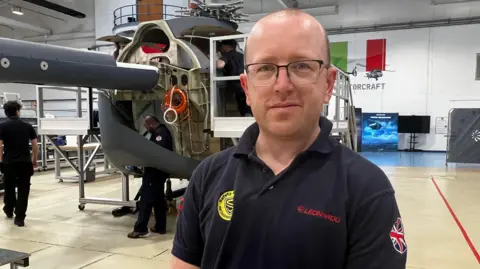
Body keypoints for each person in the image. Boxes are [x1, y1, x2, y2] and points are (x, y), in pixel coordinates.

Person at [171, 9, 407, 269]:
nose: (282, 85)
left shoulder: (367, 189)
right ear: (247, 88)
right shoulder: (208, 176)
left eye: (301, 66)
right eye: (265, 68)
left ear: (328, 84)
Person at [128, 115, 174, 238]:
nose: (146, 129)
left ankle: (140, 228)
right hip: (158, 172)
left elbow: (155, 153)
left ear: (151, 123)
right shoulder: (161, 132)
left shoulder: (160, 134)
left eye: (146, 126)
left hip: (155, 172)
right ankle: (160, 227)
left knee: (146, 200)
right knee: (158, 200)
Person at [0, 101, 38, 227]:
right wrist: (34, 159)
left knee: (9, 186)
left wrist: (1, 160)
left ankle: (9, 209)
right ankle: (20, 217)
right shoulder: (27, 126)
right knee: (23, 189)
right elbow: (34, 145)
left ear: (6, 112)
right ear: (17, 111)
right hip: (25, 162)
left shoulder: (2, 126)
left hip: (9, 162)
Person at [216, 39, 252, 117]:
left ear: (227, 46)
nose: (220, 48)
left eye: (222, 46)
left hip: (236, 85)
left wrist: (217, 59)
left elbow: (220, 65)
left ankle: (246, 117)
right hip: (246, 83)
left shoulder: (227, 55)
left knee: (241, 104)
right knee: (247, 104)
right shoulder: (241, 55)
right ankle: (249, 116)